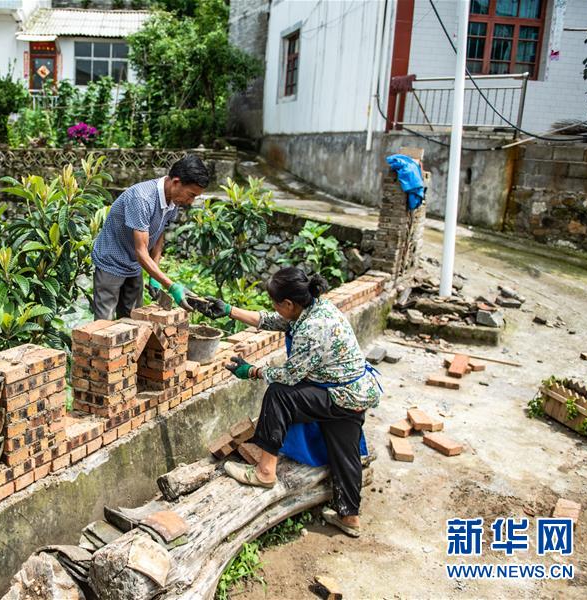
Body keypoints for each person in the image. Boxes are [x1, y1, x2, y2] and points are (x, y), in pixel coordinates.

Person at [200, 267, 382, 537]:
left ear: (288, 303)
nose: (273, 308)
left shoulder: (311, 328)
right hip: (354, 390)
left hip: (339, 394)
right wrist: (229, 310)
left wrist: (251, 371)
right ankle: (349, 516)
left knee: (279, 395)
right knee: (345, 451)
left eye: (275, 302)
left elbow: (289, 375)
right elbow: (273, 321)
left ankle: (265, 471)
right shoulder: (316, 307)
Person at [90, 155, 209, 320]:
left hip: (135, 264)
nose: (190, 201)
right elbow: (141, 251)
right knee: (103, 325)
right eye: (191, 195)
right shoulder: (142, 198)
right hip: (112, 261)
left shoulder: (173, 201)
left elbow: (159, 233)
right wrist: (172, 286)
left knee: (132, 319)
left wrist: (155, 276)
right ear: (176, 182)